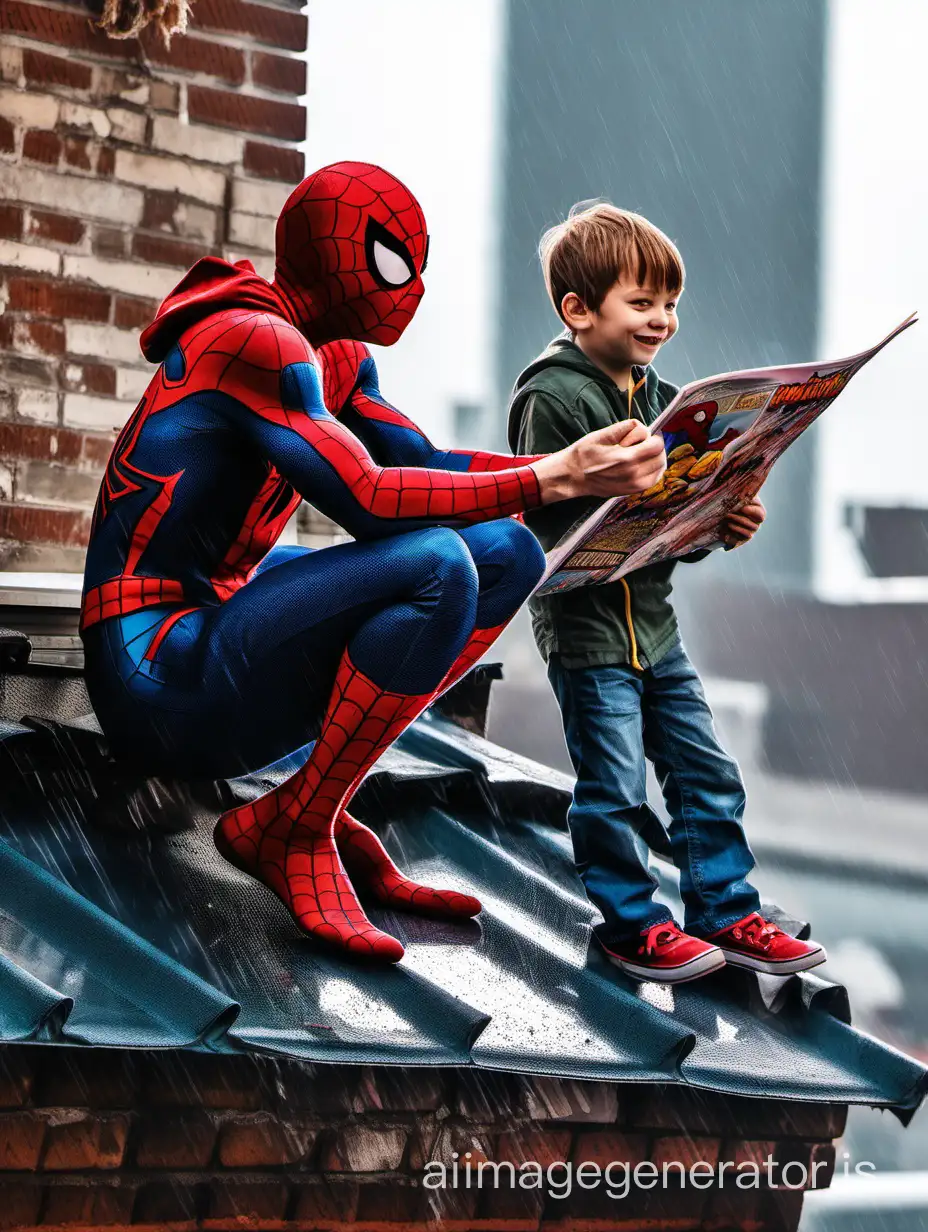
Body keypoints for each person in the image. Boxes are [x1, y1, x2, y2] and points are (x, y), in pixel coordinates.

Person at [79, 163, 666, 965]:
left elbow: (422, 460)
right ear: (329, 252)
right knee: (435, 565)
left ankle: (313, 801)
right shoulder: (254, 340)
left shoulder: (338, 360)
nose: (412, 289)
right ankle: (299, 825)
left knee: (505, 552)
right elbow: (368, 497)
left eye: (420, 268)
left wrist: (581, 472)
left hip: (215, 633)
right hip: (150, 668)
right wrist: (555, 473)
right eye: (394, 264)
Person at [509, 201, 827, 982]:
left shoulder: (666, 400)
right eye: (642, 302)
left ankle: (725, 910)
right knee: (612, 784)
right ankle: (631, 924)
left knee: (704, 768)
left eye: (670, 304)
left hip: (654, 629)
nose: (662, 320)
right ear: (578, 310)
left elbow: (667, 534)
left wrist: (724, 519)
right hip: (587, 634)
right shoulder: (552, 397)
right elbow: (537, 518)